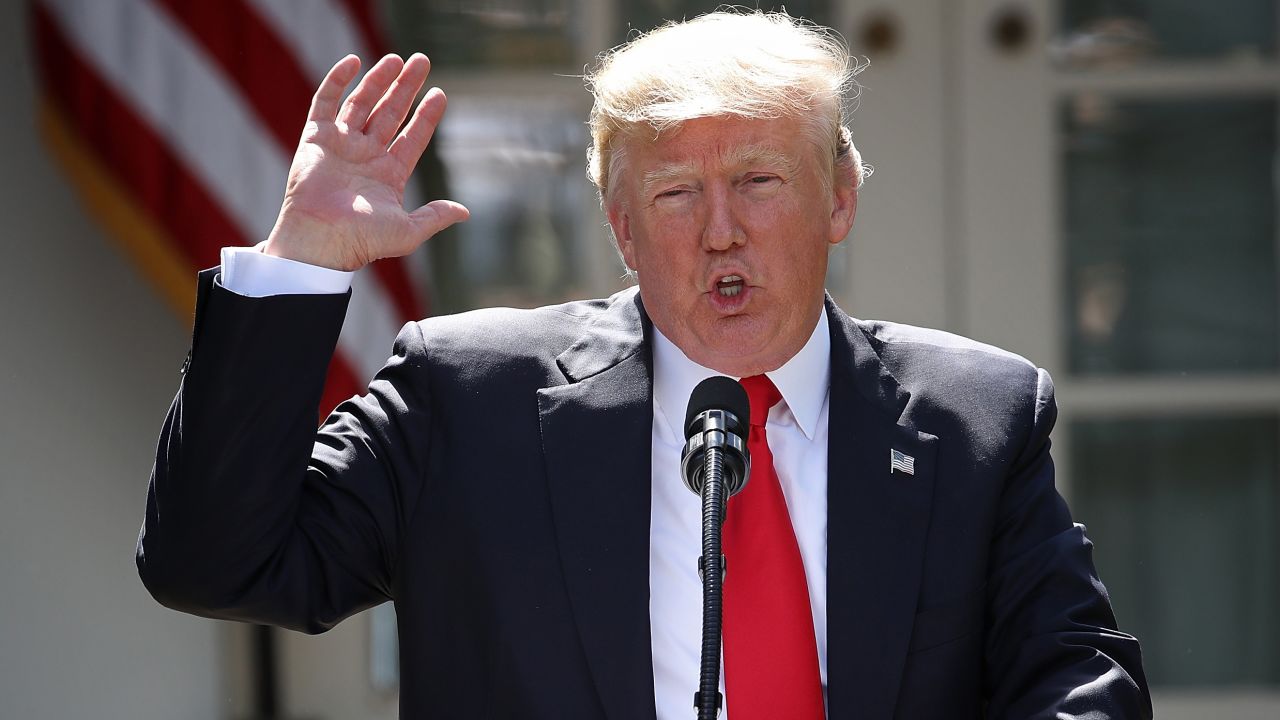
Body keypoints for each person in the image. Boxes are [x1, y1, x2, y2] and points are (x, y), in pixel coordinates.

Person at [138, 10, 1151, 719]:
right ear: (621, 228)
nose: (721, 232)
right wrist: (297, 271)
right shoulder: (468, 395)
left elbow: (1072, 680)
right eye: (673, 196)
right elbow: (215, 565)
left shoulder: (975, 415)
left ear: (837, 199)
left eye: (758, 181)